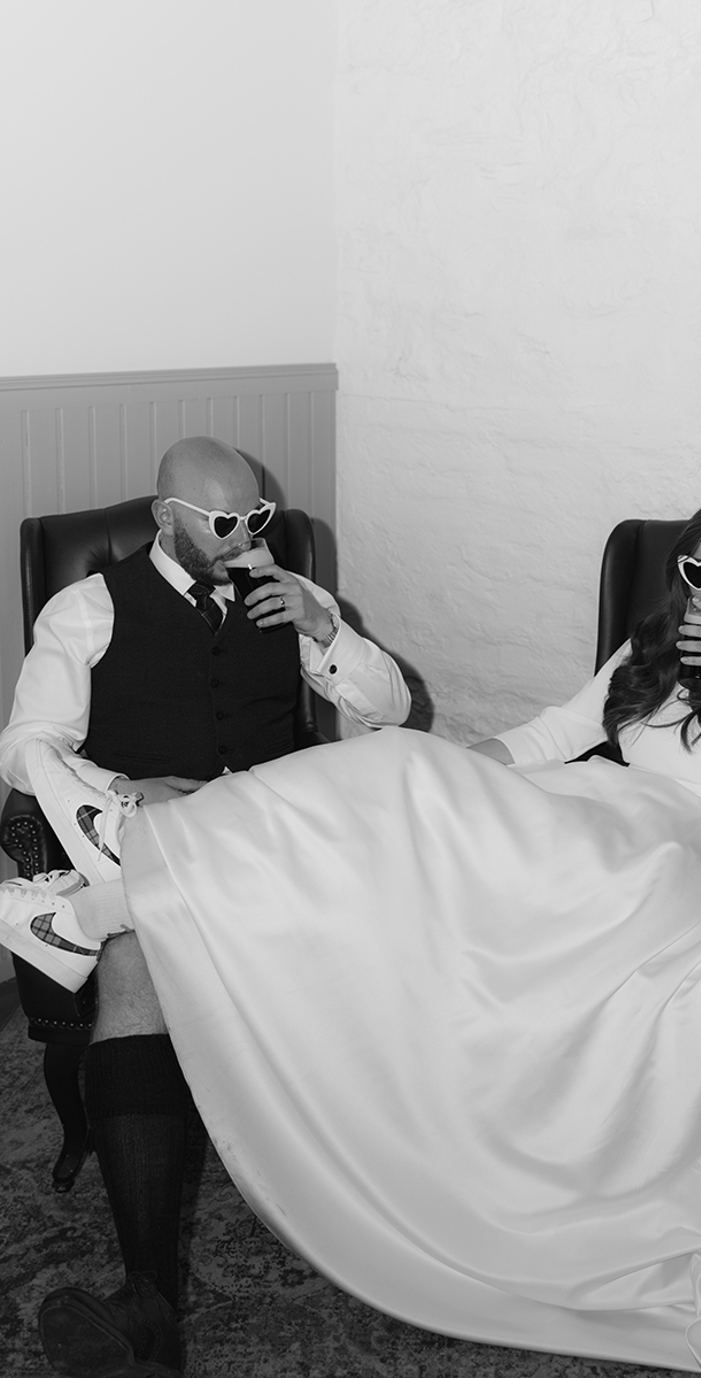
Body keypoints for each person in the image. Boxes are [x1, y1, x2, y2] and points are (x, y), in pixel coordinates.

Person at [3, 493, 701, 1378]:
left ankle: (100, 892)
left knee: (403, 784)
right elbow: (555, 734)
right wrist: (439, 769)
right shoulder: (650, 649)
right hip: (592, 817)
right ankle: (108, 894)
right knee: (393, 771)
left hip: (679, 854)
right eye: (697, 570)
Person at [0, 436, 411, 1378]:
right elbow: (27, 745)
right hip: (161, 836)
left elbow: (389, 710)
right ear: (165, 517)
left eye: (255, 517)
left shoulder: (287, 596)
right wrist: (124, 787)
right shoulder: (88, 608)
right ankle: (148, 1297)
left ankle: (407, 1197)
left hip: (275, 840)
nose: (244, 537)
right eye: (223, 521)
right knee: (133, 972)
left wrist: (324, 629)